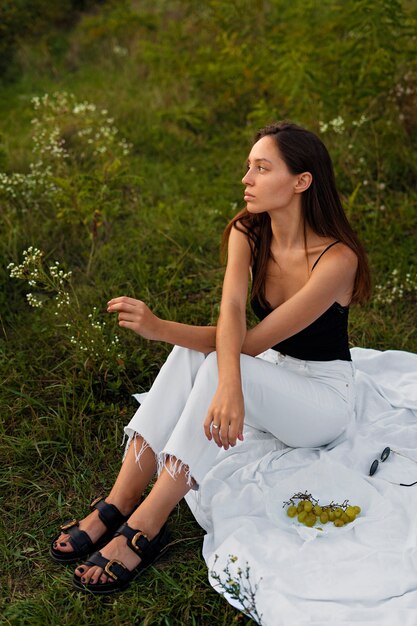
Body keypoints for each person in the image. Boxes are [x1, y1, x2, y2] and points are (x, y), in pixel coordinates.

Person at [50, 121, 371, 594]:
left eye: (262, 168)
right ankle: (119, 501)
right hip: (271, 378)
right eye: (248, 166)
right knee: (191, 355)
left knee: (224, 362)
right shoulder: (248, 230)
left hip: (323, 402)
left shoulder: (337, 259)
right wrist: (185, 347)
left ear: (302, 182)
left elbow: (251, 344)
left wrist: (222, 377)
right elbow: (233, 314)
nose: (246, 178)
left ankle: (150, 523)